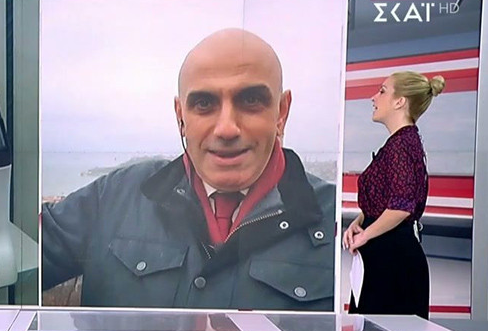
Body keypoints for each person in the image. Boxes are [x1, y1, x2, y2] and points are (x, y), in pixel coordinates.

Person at [41, 28, 336, 310]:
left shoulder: (335, 223)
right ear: (180, 116)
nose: (226, 128)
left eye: (250, 100)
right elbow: (21, 254)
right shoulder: (114, 198)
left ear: (282, 112)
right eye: (204, 103)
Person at [342, 71, 444, 320]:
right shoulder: (402, 143)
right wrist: (360, 221)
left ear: (400, 102)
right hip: (385, 257)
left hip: (391, 262)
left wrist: (365, 234)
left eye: (382, 91)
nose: (374, 97)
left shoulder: (401, 146)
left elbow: (401, 206)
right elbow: (388, 200)